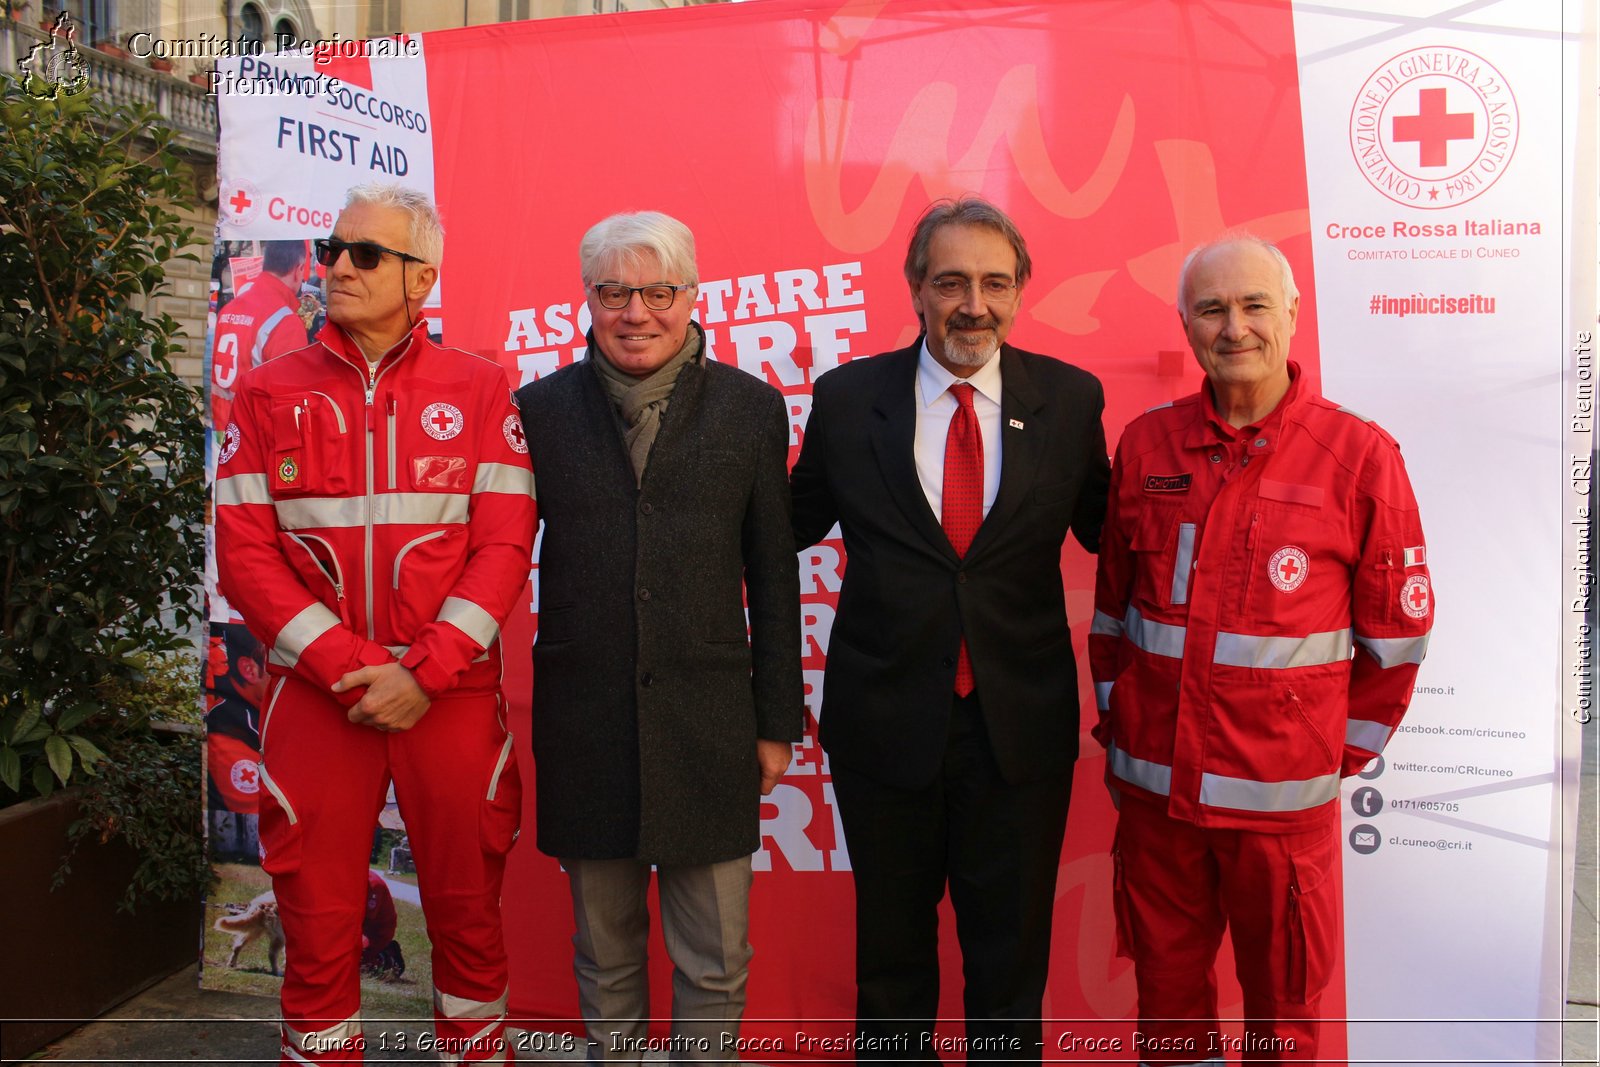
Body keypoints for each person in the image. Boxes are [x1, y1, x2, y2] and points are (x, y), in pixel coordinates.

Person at [1089, 235, 1433, 1064]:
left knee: (1283, 1019)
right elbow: (1111, 618)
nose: (1234, 327)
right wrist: (1126, 720)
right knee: (1168, 1013)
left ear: (1291, 315)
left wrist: (1323, 756)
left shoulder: (1359, 457)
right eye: (1212, 308)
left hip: (1280, 816)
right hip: (1157, 804)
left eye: (1253, 306)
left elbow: (1397, 639)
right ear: (1186, 322)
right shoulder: (1147, 445)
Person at [215, 183, 536, 1065]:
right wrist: (353, 665)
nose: (336, 267)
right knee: (317, 931)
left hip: (452, 697)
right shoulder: (266, 390)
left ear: (422, 277)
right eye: (331, 249)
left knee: (469, 923)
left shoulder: (479, 388)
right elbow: (244, 555)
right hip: (321, 700)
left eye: (364, 254)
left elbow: (505, 549)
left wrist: (423, 671)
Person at [790, 196, 1110, 1059]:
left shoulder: (1072, 402)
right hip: (885, 728)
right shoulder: (850, 399)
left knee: (1010, 973)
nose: (975, 303)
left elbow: (1118, 537)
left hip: (1020, 735)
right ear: (914, 287)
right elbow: (785, 522)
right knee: (891, 969)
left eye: (995, 282)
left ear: (1021, 290)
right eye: (952, 281)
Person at [515, 211, 802, 1062]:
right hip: (586, 721)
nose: (636, 311)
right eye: (615, 292)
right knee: (605, 960)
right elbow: (497, 553)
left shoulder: (752, 410)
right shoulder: (537, 410)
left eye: (658, 291)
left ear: (691, 297)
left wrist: (775, 720)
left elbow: (774, 572)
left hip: (710, 725)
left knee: (714, 960)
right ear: (588, 300)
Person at [211, 239, 311, 430]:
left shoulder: (228, 310)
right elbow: (289, 409)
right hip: (256, 440)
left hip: (223, 432)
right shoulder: (285, 322)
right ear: (299, 269)